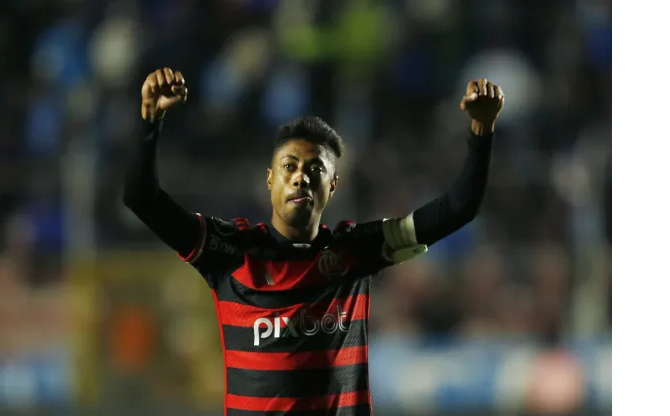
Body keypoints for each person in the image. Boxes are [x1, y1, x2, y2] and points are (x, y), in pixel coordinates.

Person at [124, 67, 504, 416]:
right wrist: (149, 121)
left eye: (315, 168)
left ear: (332, 186)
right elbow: (142, 199)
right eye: (289, 166)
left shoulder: (357, 250)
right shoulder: (228, 249)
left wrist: (482, 130)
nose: (301, 177)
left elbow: (459, 207)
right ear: (270, 179)